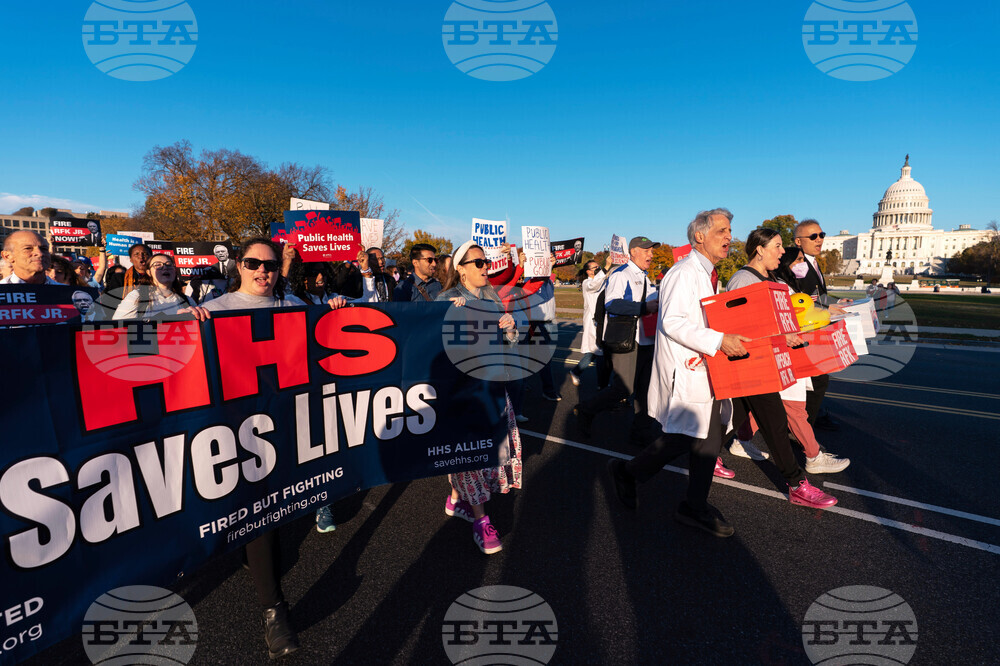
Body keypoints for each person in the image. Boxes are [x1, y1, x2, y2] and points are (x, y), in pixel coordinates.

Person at [183, 239, 347, 659]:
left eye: (270, 265)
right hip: (234, 429)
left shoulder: (293, 305)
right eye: (254, 263)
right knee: (257, 515)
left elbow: (326, 341)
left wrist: (335, 310)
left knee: (268, 511)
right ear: (239, 265)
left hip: (286, 425)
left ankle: (267, 591)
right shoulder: (216, 309)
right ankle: (274, 609)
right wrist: (183, 323)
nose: (263, 271)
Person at [606, 209, 750, 537]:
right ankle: (631, 474)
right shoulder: (684, 273)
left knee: (706, 436)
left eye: (730, 231)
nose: (729, 237)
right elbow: (672, 322)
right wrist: (719, 340)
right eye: (722, 231)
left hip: (707, 368)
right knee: (689, 437)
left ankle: (691, 505)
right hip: (690, 370)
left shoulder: (708, 274)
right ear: (699, 236)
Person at [725, 228, 843, 500]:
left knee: (732, 419)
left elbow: (773, 318)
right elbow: (738, 326)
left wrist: (788, 334)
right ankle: (797, 484)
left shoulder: (769, 277)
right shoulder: (743, 279)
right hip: (754, 363)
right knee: (775, 424)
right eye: (777, 246)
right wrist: (779, 336)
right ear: (759, 249)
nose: (782, 251)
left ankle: (702, 454)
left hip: (769, 358)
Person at [436, 241, 522, 555]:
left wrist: (511, 328)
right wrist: (444, 318)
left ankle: (456, 499)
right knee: (471, 457)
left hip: (493, 388)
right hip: (462, 396)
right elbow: (432, 352)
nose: (485, 267)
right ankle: (480, 521)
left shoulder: (490, 297)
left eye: (485, 262)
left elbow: (509, 346)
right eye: (477, 263)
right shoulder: (445, 299)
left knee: (490, 455)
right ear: (460, 269)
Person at [574, 236, 660, 447]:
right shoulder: (622, 274)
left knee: (646, 389)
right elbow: (612, 304)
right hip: (627, 341)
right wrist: (643, 308)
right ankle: (586, 410)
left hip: (647, 340)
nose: (651, 254)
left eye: (652, 251)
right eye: (647, 250)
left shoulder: (646, 276)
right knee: (623, 389)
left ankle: (641, 432)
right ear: (634, 252)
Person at [793, 219, 849, 432]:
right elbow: (801, 299)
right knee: (816, 380)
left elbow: (818, 295)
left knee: (819, 379)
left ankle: (810, 420)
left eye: (822, 234)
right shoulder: (797, 265)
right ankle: (803, 428)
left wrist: (834, 304)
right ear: (799, 241)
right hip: (808, 328)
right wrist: (825, 310)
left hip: (819, 324)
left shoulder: (813, 262)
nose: (820, 240)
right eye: (813, 236)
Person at [570, 256, 613, 387]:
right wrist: (605, 268)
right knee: (600, 351)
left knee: (595, 352)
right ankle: (602, 384)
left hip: (605, 319)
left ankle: (576, 371)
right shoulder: (587, 283)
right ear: (588, 271)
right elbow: (595, 285)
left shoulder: (602, 280)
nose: (598, 269)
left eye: (598, 267)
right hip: (594, 322)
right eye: (595, 268)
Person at [113, 254, 193, 319]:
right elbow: (118, 327)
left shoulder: (187, 300)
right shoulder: (137, 296)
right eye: (157, 265)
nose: (165, 267)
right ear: (149, 272)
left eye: (169, 265)